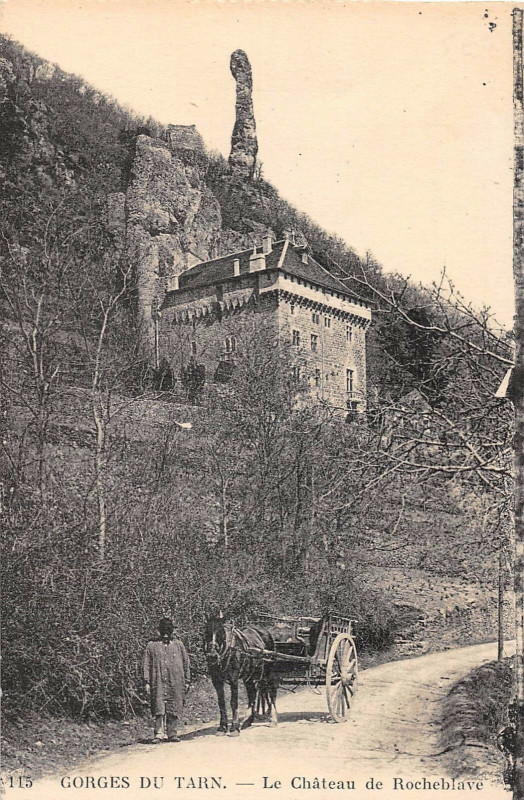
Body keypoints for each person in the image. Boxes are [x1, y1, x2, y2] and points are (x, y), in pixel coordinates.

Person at [143, 617, 190, 743]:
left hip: (176, 681)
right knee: (159, 706)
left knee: (174, 705)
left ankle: (172, 733)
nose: (165, 634)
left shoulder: (179, 645)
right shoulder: (151, 646)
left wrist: (187, 680)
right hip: (157, 681)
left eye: (168, 631)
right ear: (159, 631)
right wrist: (147, 681)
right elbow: (146, 664)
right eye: (163, 631)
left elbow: (186, 662)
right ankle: (159, 733)